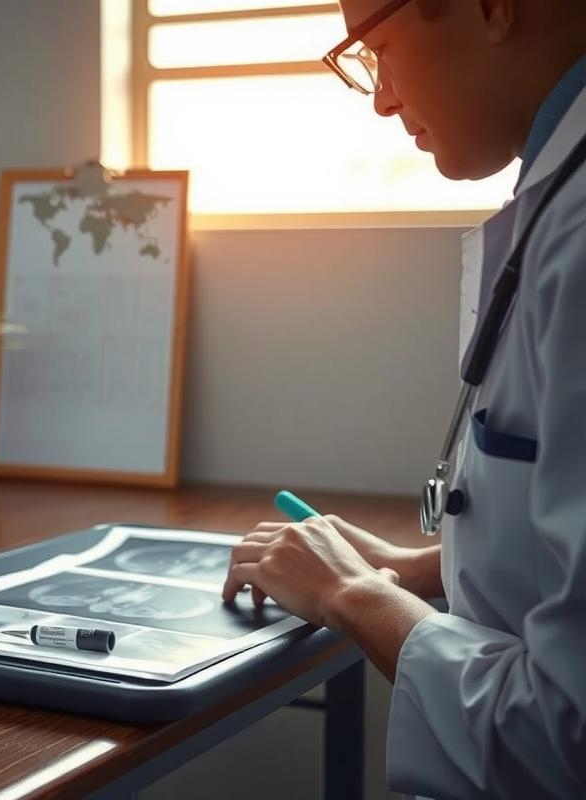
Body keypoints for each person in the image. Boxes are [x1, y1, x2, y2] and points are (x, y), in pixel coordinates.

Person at [221, 0, 586, 796]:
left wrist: (352, 594)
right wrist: (424, 567)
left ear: (491, 9)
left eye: (376, 46)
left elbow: (566, 735)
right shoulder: (559, 194)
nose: (382, 97)